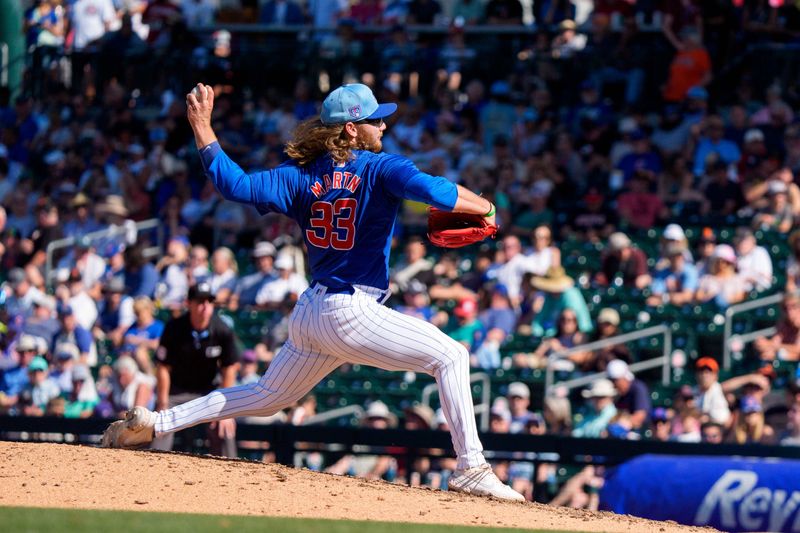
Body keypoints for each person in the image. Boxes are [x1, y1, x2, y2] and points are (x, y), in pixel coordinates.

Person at [102, 82, 523, 501]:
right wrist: (485, 208)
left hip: (311, 311)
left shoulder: (300, 175)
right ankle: (471, 467)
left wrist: (203, 129)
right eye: (375, 119)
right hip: (349, 309)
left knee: (267, 397)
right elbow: (435, 191)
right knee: (452, 355)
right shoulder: (382, 168)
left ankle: (155, 423)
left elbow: (235, 186)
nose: (384, 125)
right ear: (352, 129)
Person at [149, 282, 241, 457]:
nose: (205, 306)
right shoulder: (174, 328)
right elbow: (162, 367)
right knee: (161, 425)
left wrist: (227, 409)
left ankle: (231, 473)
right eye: (199, 301)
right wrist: (162, 402)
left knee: (225, 426)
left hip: (208, 392)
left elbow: (229, 369)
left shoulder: (222, 330)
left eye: (209, 302)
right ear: (188, 303)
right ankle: (153, 468)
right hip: (176, 392)